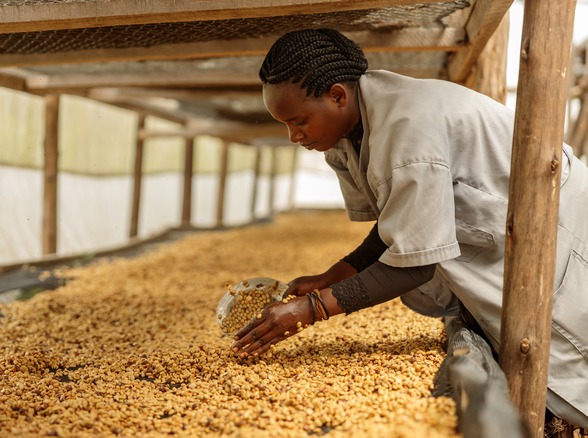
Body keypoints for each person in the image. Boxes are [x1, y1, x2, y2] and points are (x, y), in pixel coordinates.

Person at [230, 28, 588, 432]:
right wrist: (334, 275)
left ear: (337, 95)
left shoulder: (408, 128)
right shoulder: (348, 131)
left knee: (568, 361)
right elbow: (397, 222)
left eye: (298, 122)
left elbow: (413, 265)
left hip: (559, 231)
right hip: (506, 237)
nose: (294, 136)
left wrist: (311, 310)